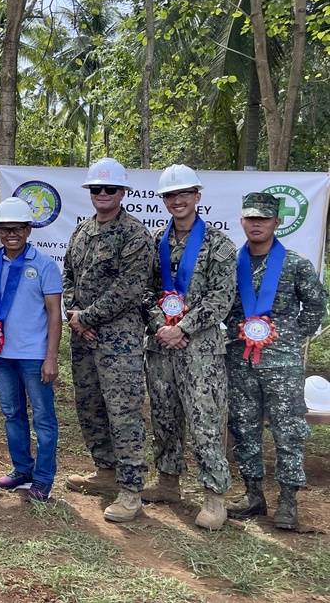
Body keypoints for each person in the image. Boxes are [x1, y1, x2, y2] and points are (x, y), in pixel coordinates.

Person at [224, 192, 327, 530]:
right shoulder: (231, 263)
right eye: (250, 218)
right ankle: (253, 494)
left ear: (276, 223)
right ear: (242, 221)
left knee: (288, 430)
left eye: (264, 219)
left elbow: (315, 309)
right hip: (239, 359)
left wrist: (286, 335)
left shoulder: (295, 264)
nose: (256, 224)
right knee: (244, 427)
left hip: (282, 365)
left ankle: (288, 501)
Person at [142, 165, 236, 530]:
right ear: (163, 201)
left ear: (198, 196)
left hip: (201, 353)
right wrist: (159, 326)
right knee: (164, 416)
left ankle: (214, 497)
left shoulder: (218, 244)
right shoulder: (155, 243)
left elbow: (221, 297)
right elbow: (145, 292)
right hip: (161, 348)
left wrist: (182, 327)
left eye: (184, 194)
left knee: (205, 421)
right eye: (170, 195)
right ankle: (168, 482)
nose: (177, 201)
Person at [63, 157, 153, 523]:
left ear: (123, 192)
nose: (102, 194)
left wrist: (85, 317)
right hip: (84, 337)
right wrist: (74, 315)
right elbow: (67, 275)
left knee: (124, 413)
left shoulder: (136, 235)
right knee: (90, 406)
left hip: (120, 341)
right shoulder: (82, 231)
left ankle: (132, 489)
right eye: (96, 189)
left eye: (109, 189)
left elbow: (128, 290)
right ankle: (104, 472)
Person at [0, 197, 63, 503]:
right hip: (2, 356)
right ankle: (22, 470)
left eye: (18, 228)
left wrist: (51, 357)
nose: (11, 234)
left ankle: (42, 479)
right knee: (12, 414)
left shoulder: (44, 265)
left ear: (29, 230)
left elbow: (55, 313)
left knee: (43, 418)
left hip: (34, 356)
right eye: (4, 228)